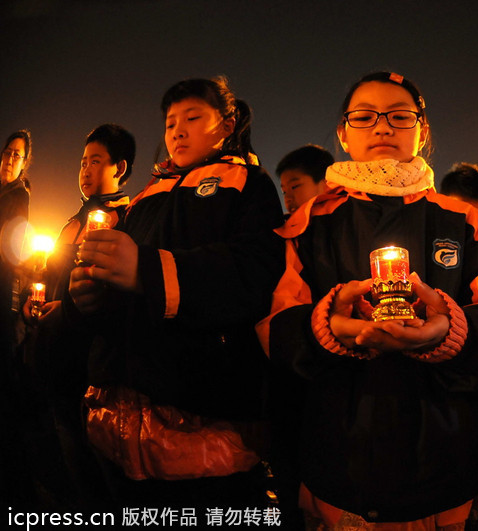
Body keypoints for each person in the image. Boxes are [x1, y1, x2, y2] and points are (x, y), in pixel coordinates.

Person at [258, 71, 478, 529]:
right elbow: (274, 325)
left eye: (400, 116)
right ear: (343, 134)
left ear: (423, 131)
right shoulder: (309, 223)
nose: (383, 127)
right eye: (365, 117)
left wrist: (451, 330)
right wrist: (325, 326)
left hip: (445, 467)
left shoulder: (466, 223)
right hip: (338, 468)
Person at [67, 77, 285, 510]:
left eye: (192, 118)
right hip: (119, 416)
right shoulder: (148, 195)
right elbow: (120, 289)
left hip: (204, 420)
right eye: (170, 124)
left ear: (226, 123)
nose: (177, 131)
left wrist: (146, 270)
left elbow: (253, 274)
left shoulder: (248, 183)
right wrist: (91, 299)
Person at [19, 124, 135, 508]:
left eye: (96, 161)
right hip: (51, 354)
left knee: (88, 467)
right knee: (57, 455)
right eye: (83, 162)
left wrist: (64, 310)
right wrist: (33, 299)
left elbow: (108, 293)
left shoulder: (123, 218)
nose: (85, 170)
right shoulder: (77, 217)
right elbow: (51, 274)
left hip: (84, 365)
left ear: (120, 167)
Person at [0, 129, 33, 504]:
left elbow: (11, 247)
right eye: (7, 152)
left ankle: (18, 489)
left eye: (17, 155)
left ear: (25, 164)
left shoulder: (18, 195)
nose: (9, 159)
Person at [277, 144, 333, 214]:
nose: (288, 198)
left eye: (294, 187)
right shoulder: (285, 223)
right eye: (284, 192)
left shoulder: (344, 218)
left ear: (326, 185)